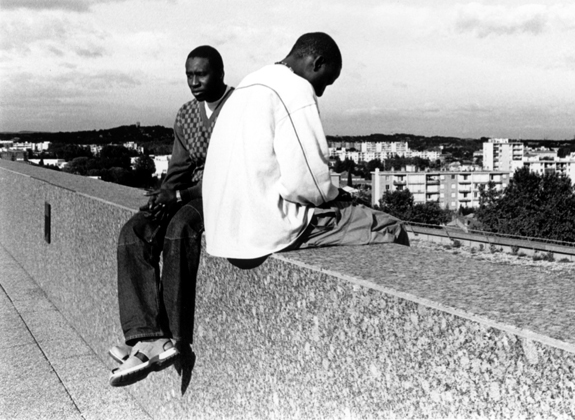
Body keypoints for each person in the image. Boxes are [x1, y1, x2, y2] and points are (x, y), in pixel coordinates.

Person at [202, 32, 407, 268]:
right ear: (317, 62)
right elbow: (307, 186)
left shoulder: (248, 84)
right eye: (325, 81)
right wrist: (334, 195)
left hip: (223, 233)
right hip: (265, 232)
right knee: (391, 227)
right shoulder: (295, 88)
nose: (320, 92)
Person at [109, 45, 234, 387]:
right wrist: (164, 195)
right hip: (185, 189)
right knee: (134, 231)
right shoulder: (186, 113)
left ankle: (175, 338)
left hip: (222, 192)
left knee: (180, 229)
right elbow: (179, 166)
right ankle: (146, 334)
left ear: (221, 73)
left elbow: (231, 172)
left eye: (201, 74)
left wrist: (180, 197)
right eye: (189, 75)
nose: (194, 81)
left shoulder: (238, 108)